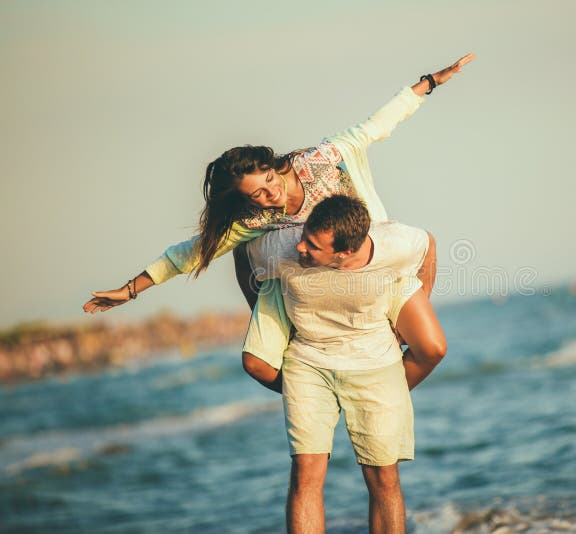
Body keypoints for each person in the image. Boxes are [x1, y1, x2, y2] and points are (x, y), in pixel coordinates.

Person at [82, 53, 474, 379]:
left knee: (430, 328)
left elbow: (376, 125)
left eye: (269, 179)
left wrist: (428, 83)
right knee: (245, 269)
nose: (271, 193)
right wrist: (130, 290)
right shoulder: (251, 221)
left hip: (372, 260)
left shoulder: (323, 159)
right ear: (244, 200)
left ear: (274, 166)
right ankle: (313, 391)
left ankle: (391, 382)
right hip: (317, 290)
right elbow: (187, 254)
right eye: (257, 194)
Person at [245, 195, 439, 533]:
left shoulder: (395, 244)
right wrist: (256, 303)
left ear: (344, 252)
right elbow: (243, 254)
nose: (301, 248)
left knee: (383, 476)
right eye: (304, 237)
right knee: (305, 472)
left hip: (374, 362)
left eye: (314, 246)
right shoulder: (285, 247)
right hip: (309, 361)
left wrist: (415, 305)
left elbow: (428, 246)